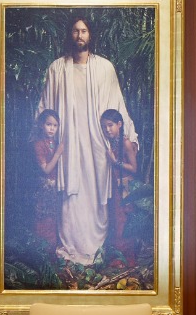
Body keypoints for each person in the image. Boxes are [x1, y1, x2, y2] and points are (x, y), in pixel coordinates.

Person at [35, 15, 137, 265]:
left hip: (97, 144)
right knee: (72, 192)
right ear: (69, 35)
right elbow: (46, 108)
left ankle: (97, 247)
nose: (79, 35)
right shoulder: (57, 68)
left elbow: (117, 105)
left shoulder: (105, 68)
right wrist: (44, 139)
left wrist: (129, 137)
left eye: (84, 31)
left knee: (96, 189)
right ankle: (71, 245)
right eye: (75, 31)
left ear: (91, 35)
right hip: (68, 141)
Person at [100, 108, 140, 265]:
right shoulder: (112, 142)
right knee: (116, 220)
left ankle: (127, 258)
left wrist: (114, 161)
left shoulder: (125, 143)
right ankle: (118, 256)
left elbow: (134, 168)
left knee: (123, 220)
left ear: (119, 124)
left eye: (110, 125)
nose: (107, 129)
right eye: (104, 127)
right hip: (116, 187)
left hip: (125, 187)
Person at [30, 108, 64, 252]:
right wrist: (58, 153)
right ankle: (42, 253)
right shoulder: (38, 143)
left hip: (54, 187)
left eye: (55, 126)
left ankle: (51, 252)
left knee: (53, 219)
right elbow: (46, 169)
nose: (52, 128)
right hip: (44, 188)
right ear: (41, 125)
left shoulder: (53, 142)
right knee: (44, 219)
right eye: (48, 124)